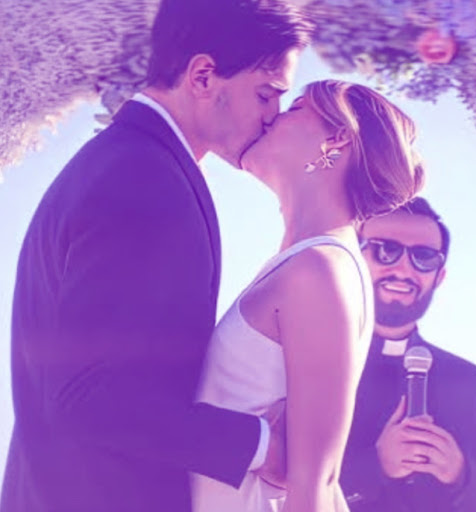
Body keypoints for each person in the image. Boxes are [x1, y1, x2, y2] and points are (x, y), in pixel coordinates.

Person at [0, 1, 313, 511]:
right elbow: (89, 398)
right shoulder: (144, 177)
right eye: (265, 93)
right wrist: (261, 445)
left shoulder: (128, 161)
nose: (272, 115)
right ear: (203, 76)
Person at [192, 79, 424, 512]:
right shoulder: (305, 264)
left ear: (337, 139)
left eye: (295, 107)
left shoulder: (319, 270)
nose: (272, 116)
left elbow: (315, 484)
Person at [340, 197, 476, 511]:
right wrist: (374, 467)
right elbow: (270, 487)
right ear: (353, 258)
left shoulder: (474, 383)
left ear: (439, 276)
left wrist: (461, 475)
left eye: (423, 257)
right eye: (385, 250)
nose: (403, 269)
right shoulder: (305, 365)